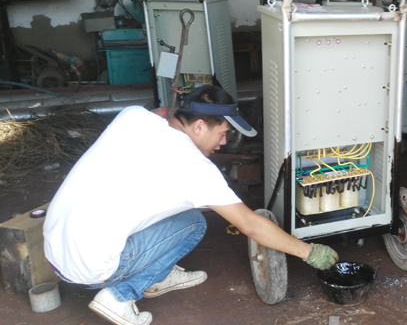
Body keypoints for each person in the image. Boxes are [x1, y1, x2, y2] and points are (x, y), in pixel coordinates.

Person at [43, 85, 338, 325]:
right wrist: (308, 252)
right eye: (222, 133)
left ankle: (156, 275)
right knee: (194, 224)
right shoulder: (196, 169)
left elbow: (161, 118)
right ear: (198, 126)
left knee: (179, 210)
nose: (223, 142)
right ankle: (119, 296)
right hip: (89, 269)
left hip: (55, 248)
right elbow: (250, 224)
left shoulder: (133, 116)